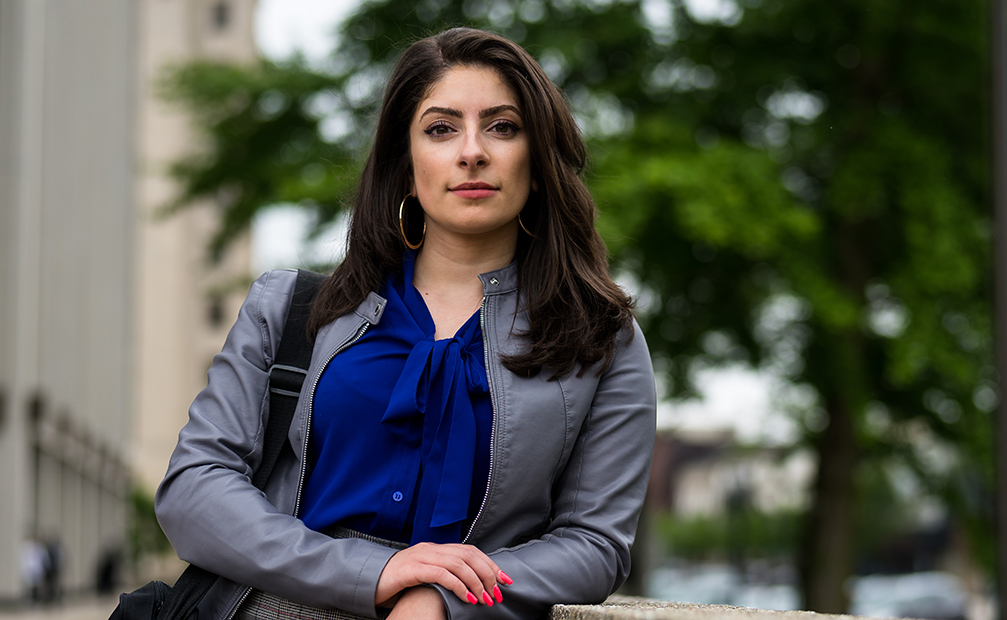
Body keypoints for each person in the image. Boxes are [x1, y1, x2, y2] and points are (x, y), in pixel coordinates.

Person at [155, 27, 657, 620]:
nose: (472, 151)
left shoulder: (602, 338)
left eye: (503, 127)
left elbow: (594, 545)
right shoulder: (288, 307)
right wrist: (377, 573)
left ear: (540, 160)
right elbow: (194, 489)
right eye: (441, 129)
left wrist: (443, 597)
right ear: (406, 161)